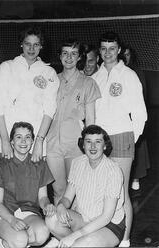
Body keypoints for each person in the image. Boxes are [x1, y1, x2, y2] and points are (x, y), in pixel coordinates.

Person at [92, 31, 147, 247]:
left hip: (122, 137)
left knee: (121, 193)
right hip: (98, 141)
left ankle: (124, 241)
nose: (108, 53)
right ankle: (104, 236)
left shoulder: (129, 75)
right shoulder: (94, 77)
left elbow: (140, 114)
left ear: (120, 50)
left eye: (112, 48)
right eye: (104, 49)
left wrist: (130, 138)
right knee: (101, 191)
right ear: (99, 51)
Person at [45, 125, 125, 248]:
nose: (93, 146)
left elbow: (106, 217)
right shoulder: (78, 163)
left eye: (98, 142)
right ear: (83, 145)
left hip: (109, 225)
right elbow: (67, 198)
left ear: (105, 146)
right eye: (88, 142)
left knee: (78, 244)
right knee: (52, 219)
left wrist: (73, 236)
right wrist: (61, 206)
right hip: (84, 218)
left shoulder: (113, 170)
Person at [0, 26, 59, 162]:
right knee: (8, 182)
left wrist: (39, 142)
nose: (31, 49)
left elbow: (49, 110)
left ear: (41, 46)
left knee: (34, 182)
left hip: (36, 143)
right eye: (28, 44)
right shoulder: (6, 67)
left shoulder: (49, 72)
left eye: (36, 45)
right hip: (8, 140)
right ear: (21, 44)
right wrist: (5, 141)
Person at [46, 39, 101, 204]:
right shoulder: (51, 80)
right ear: (60, 56)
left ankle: (76, 228)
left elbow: (91, 120)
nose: (69, 57)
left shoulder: (88, 83)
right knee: (58, 190)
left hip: (75, 145)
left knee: (75, 192)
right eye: (65, 53)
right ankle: (59, 229)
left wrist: (90, 146)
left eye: (74, 53)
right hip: (52, 144)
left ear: (79, 58)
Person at [0, 122, 55, 248]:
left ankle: (7, 244)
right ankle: (6, 240)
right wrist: (11, 220)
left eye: (28, 137)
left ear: (32, 141)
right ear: (12, 142)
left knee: (42, 234)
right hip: (6, 214)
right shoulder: (0, 166)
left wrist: (47, 205)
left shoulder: (39, 164)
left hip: (29, 213)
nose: (23, 141)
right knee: (20, 240)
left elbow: (42, 197)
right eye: (19, 137)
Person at [122, 45, 151, 191]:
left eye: (128, 54)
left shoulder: (136, 72)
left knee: (138, 146)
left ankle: (136, 177)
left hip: (134, 116)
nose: (125, 57)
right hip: (120, 117)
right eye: (124, 54)